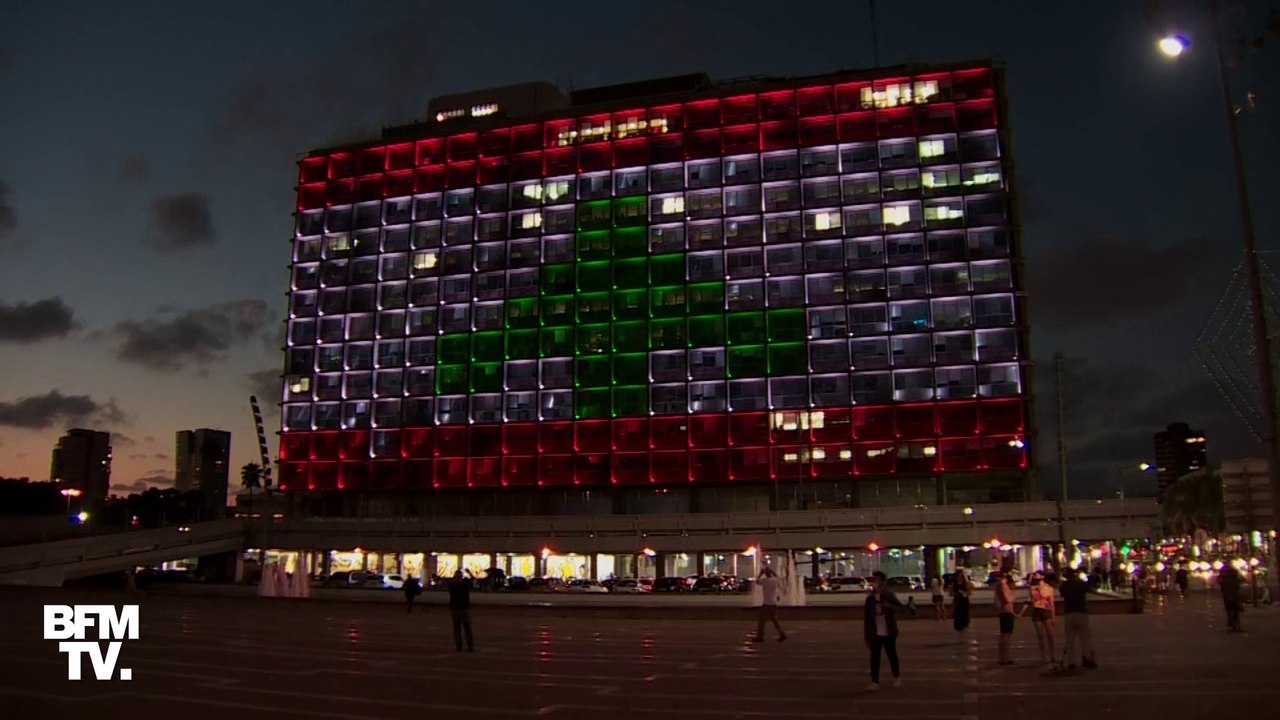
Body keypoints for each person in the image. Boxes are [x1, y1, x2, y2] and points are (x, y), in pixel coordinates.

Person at [865, 571, 909, 690]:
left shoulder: (888, 595)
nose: (875, 583)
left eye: (877, 580)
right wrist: (867, 635)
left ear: (883, 581)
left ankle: (896, 677)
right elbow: (867, 618)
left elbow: (901, 608)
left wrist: (889, 606)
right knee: (875, 657)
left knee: (891, 655)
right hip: (875, 632)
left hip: (888, 630)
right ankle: (875, 682)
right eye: (874, 580)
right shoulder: (870, 598)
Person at [1060, 567, 1096, 669]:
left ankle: (1071, 662)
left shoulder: (1064, 586)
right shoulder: (1080, 584)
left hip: (1069, 613)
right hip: (1081, 612)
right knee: (1084, 638)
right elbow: (1090, 586)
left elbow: (1062, 594)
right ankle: (1086, 658)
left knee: (1070, 639)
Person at [1019, 571, 1056, 664]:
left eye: (1037, 575)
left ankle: (1052, 656)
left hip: (1046, 610)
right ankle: (1044, 656)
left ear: (1042, 576)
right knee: (1040, 635)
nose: (1035, 576)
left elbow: (1051, 603)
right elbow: (1029, 600)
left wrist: (1053, 616)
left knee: (1050, 635)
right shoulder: (1032, 588)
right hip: (1037, 610)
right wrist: (1021, 613)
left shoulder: (1049, 588)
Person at [753, 566, 787, 643]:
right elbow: (777, 576)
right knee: (774, 619)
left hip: (767, 603)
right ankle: (781, 634)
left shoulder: (765, 581)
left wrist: (760, 574)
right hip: (774, 603)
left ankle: (760, 637)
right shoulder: (774, 580)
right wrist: (771, 570)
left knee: (761, 620)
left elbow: (757, 581)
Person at [447, 570, 475, 651]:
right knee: (467, 628)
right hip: (464, 608)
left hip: (454, 608)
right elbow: (472, 580)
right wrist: (469, 572)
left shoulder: (451, 584)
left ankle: (458, 645)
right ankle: (470, 646)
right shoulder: (464, 585)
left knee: (456, 628)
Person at [995, 570, 1016, 665]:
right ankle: (1005, 657)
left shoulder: (1000, 585)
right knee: (1006, 635)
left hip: (1005, 611)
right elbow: (1006, 599)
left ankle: (1004, 657)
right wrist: (1012, 596)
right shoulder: (1002, 585)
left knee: (1005, 634)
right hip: (1006, 611)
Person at [1219, 565, 1243, 633]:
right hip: (1235, 598)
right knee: (1236, 612)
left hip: (1228, 598)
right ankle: (1237, 626)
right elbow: (1242, 580)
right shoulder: (1236, 580)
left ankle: (1232, 624)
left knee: (1230, 611)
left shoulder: (1225, 579)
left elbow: (1222, 587)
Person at [951, 568, 972, 633]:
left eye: (961, 575)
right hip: (957, 600)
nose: (959, 577)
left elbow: (969, 592)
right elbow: (951, 593)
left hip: (964, 600)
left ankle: (964, 625)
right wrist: (955, 593)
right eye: (958, 575)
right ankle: (958, 626)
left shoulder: (966, 583)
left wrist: (963, 592)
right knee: (957, 614)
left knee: (964, 614)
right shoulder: (955, 584)